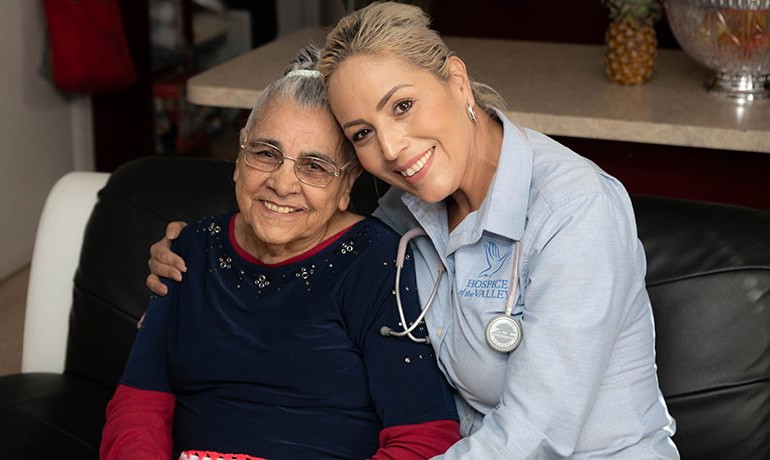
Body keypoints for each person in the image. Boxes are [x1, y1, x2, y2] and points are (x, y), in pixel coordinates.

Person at [147, 2, 680, 458]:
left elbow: (535, 436)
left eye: (402, 106)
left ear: (456, 80)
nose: (394, 148)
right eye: (363, 133)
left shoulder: (574, 211)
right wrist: (207, 251)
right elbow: (318, 261)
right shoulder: (404, 212)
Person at [101, 44, 461, 460]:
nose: (283, 184)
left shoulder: (379, 264)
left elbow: (425, 439)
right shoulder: (189, 251)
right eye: (267, 154)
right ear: (239, 155)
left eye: (314, 166)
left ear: (346, 186)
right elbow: (138, 403)